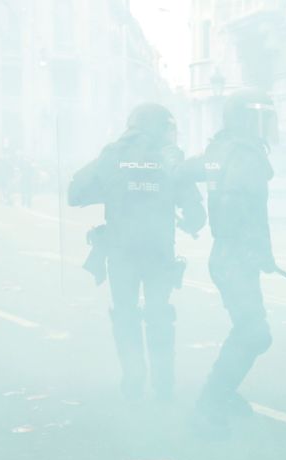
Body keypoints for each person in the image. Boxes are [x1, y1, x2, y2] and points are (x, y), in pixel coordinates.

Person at [68, 103, 205, 401]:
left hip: (121, 251)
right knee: (159, 314)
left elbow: (75, 193)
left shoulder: (113, 154)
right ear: (162, 127)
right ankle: (163, 384)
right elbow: (196, 216)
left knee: (125, 314)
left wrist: (115, 188)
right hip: (158, 252)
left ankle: (133, 378)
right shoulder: (169, 157)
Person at [188, 88, 278, 422]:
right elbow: (242, 202)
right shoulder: (247, 155)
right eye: (261, 117)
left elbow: (183, 174)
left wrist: (191, 210)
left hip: (227, 252)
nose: (266, 124)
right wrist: (258, 248)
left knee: (251, 329)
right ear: (247, 119)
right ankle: (210, 404)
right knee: (254, 332)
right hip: (236, 254)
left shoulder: (218, 150)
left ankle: (218, 397)